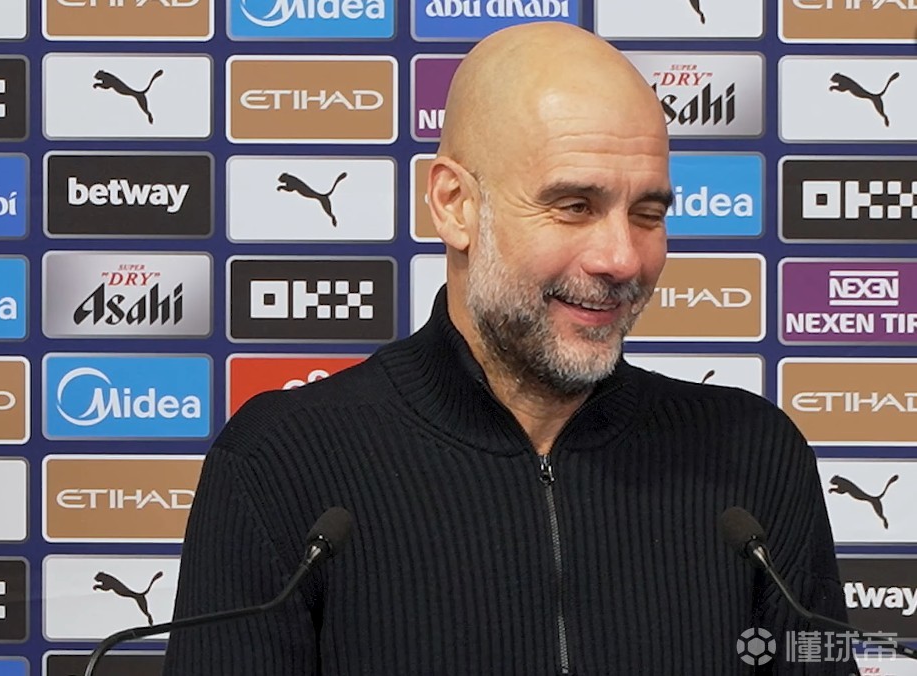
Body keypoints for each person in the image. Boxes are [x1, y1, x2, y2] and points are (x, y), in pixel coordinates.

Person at [163, 22, 857, 675]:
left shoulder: (753, 454)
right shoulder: (281, 462)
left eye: (647, 213)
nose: (622, 258)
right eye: (574, 207)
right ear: (455, 205)